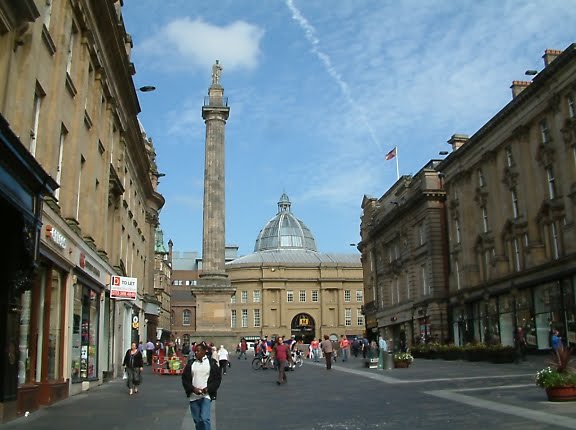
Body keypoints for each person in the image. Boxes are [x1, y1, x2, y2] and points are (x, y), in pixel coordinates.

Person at [182, 342, 222, 430]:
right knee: (197, 420)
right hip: (193, 396)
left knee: (204, 418)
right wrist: (192, 389)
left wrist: (209, 388)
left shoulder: (211, 363)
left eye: (198, 351)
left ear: (204, 351)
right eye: (195, 351)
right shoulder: (191, 363)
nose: (196, 352)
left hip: (206, 395)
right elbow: (185, 379)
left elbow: (217, 379)